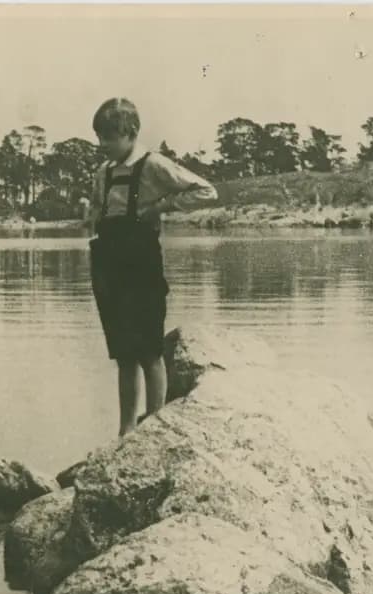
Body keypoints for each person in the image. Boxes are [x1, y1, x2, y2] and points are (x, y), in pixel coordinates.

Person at [87, 97, 217, 435]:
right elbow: (100, 211)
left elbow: (206, 191)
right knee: (123, 353)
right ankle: (126, 430)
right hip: (110, 266)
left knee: (148, 349)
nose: (103, 145)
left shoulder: (153, 164)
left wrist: (162, 207)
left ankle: (156, 426)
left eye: (109, 138)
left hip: (141, 265)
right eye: (99, 137)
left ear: (130, 133)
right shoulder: (102, 172)